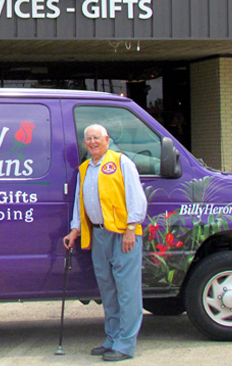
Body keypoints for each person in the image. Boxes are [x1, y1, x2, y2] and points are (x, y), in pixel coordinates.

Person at [63, 124, 147, 362]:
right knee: (108, 290)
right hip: (98, 235)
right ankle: (111, 338)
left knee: (127, 291)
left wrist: (131, 228)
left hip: (123, 234)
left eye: (96, 138)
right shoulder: (84, 168)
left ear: (107, 140)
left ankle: (125, 344)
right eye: (88, 139)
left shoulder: (122, 163)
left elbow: (136, 198)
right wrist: (75, 229)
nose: (92, 142)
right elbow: (81, 202)